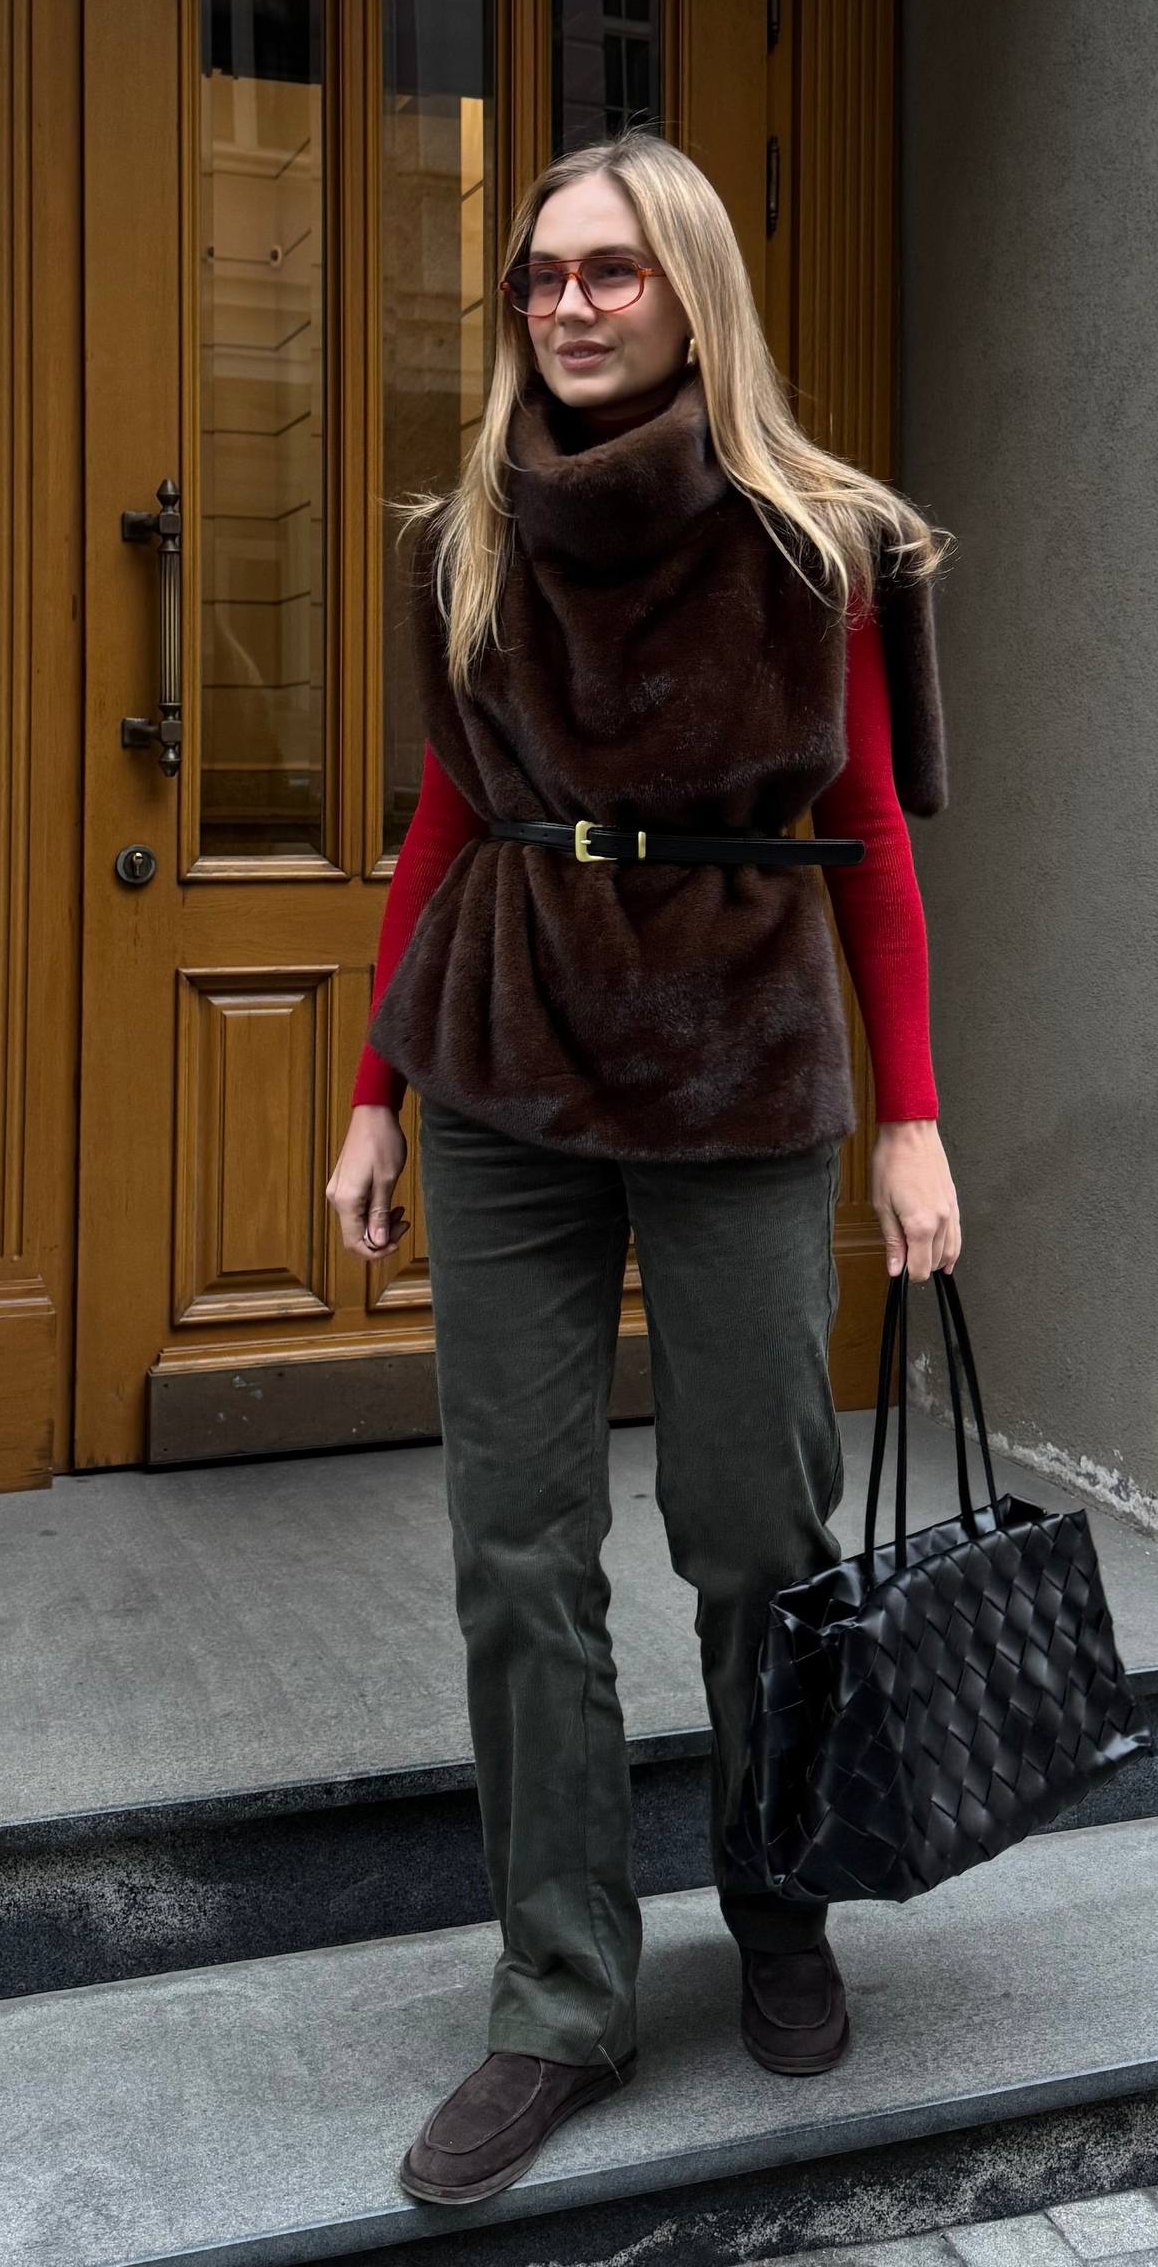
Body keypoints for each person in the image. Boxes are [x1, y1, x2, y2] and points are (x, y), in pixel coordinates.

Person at [326, 130, 961, 2208]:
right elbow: (445, 823)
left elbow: (867, 838)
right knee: (516, 1547)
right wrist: (369, 1093)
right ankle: (560, 1996)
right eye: (541, 274)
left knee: (754, 1527)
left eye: (609, 270)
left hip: (738, 1065)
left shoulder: (815, 543)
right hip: (503, 1059)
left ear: (692, 293)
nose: (569, 304)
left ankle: (776, 1904)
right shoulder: (467, 540)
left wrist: (910, 1117)